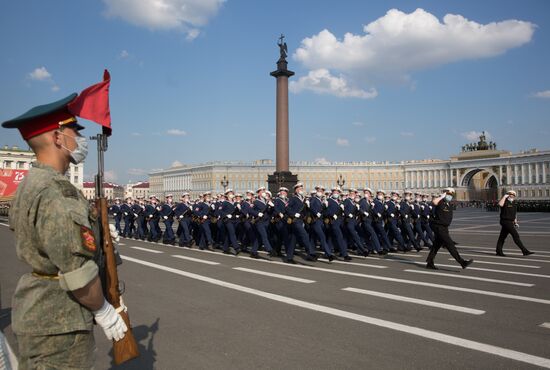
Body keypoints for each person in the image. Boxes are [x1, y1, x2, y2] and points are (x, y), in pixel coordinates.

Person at [2, 94, 127, 369]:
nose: (80, 139)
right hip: (60, 324)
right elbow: (78, 274)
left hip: (40, 316)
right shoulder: (56, 193)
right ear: (59, 138)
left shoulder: (30, 184)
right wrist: (104, 309)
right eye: (74, 131)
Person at [426, 188, 473, 270]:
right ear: (445, 194)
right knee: (450, 245)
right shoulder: (440, 201)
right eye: (449, 194)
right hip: (439, 227)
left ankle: (429, 262)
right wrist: (442, 196)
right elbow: (434, 202)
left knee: (436, 245)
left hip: (445, 228)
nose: (450, 196)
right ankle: (462, 262)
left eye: (451, 195)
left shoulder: (448, 204)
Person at [495, 190, 534, 257]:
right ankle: (524, 251)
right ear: (508, 195)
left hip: (510, 221)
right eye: (510, 194)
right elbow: (500, 204)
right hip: (505, 221)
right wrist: (504, 197)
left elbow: (514, 213)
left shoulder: (514, 203)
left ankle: (498, 251)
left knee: (502, 237)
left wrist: (515, 222)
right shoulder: (505, 201)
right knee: (515, 235)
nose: (512, 196)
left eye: (513, 195)